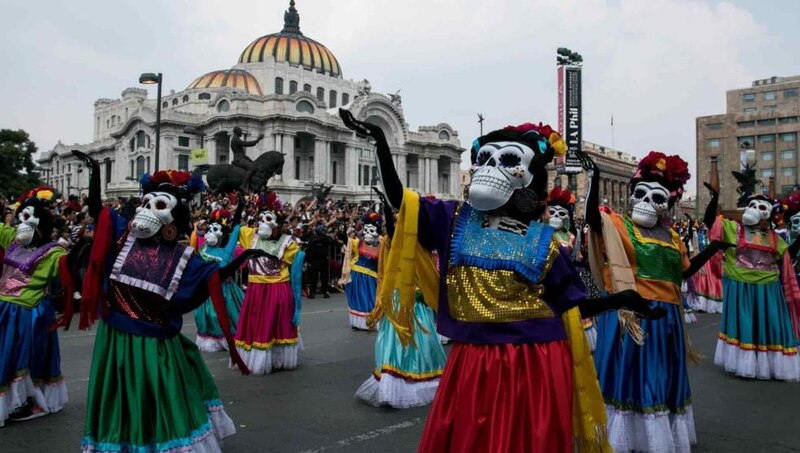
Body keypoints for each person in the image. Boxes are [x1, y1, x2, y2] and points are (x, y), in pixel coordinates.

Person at [340, 110, 663, 452]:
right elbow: (400, 202)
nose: (490, 167)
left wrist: (621, 300)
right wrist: (380, 142)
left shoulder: (545, 242)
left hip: (533, 363)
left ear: (529, 179)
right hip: (473, 360)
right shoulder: (454, 220)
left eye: (507, 160)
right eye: (484, 159)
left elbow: (571, 305)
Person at [73, 151, 262, 452]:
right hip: (116, 338)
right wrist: (96, 174)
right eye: (146, 203)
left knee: (157, 396)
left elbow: (206, 282)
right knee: (120, 396)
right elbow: (99, 213)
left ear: (174, 217)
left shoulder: (182, 257)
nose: (148, 209)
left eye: (159, 205)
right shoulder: (124, 237)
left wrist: (244, 258)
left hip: (154, 344)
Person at [584, 151, 731, 452]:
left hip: (666, 318)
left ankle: (654, 438)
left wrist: (714, 246)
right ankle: (623, 437)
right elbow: (592, 221)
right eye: (640, 193)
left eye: (657, 197)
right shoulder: (618, 226)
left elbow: (685, 271)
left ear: (668, 204)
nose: (646, 201)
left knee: (659, 376)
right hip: (630, 317)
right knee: (628, 377)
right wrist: (593, 180)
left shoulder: (672, 236)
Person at [704, 178, 800, 381]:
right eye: (752, 205)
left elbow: (786, 256)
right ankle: (747, 363)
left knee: (770, 324)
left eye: (761, 207)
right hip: (741, 287)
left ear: (769, 215)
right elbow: (710, 221)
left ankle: (769, 364)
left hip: (768, 289)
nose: (755, 209)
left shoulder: (775, 238)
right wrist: (715, 198)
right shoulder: (732, 229)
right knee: (746, 324)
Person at [0, 187, 73, 426]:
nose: (24, 223)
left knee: (26, 359)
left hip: (29, 313)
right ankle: (14, 401)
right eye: (22, 216)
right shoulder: (12, 239)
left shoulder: (53, 252)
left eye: (30, 217)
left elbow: (68, 274)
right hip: (5, 308)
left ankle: (31, 401)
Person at [233, 192, 304, 375]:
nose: (262, 222)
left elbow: (296, 268)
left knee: (276, 323)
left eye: (268, 219)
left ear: (278, 225)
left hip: (278, 288)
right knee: (258, 323)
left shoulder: (288, 243)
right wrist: (240, 207)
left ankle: (277, 359)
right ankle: (258, 358)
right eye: (260, 218)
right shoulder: (251, 236)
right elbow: (235, 228)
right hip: (256, 288)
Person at [190, 200, 246, 352]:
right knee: (206, 316)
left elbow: (235, 231)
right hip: (207, 291)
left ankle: (227, 338)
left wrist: (240, 207)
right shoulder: (203, 248)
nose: (209, 233)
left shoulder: (226, 252)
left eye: (214, 230)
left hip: (225, 291)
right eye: (209, 230)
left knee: (226, 314)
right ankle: (212, 339)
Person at [342, 213, 383, 329]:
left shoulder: (381, 242)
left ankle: (368, 321)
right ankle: (360, 322)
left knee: (367, 298)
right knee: (359, 298)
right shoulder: (357, 241)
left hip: (370, 275)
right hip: (358, 273)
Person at [305, 225, 333, 299]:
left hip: (318, 260)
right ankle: (323, 292)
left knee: (316, 277)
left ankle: (313, 293)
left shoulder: (313, 239)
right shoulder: (324, 238)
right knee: (322, 277)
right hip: (319, 260)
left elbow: (308, 249)